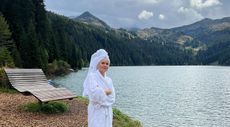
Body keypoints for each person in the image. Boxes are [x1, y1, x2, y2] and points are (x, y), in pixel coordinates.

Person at [83, 49, 115, 127]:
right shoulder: (92, 77)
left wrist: (101, 91)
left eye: (107, 64)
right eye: (102, 63)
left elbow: (112, 98)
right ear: (97, 64)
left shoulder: (109, 80)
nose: (105, 65)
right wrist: (106, 92)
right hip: (96, 111)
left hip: (107, 111)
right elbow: (94, 95)